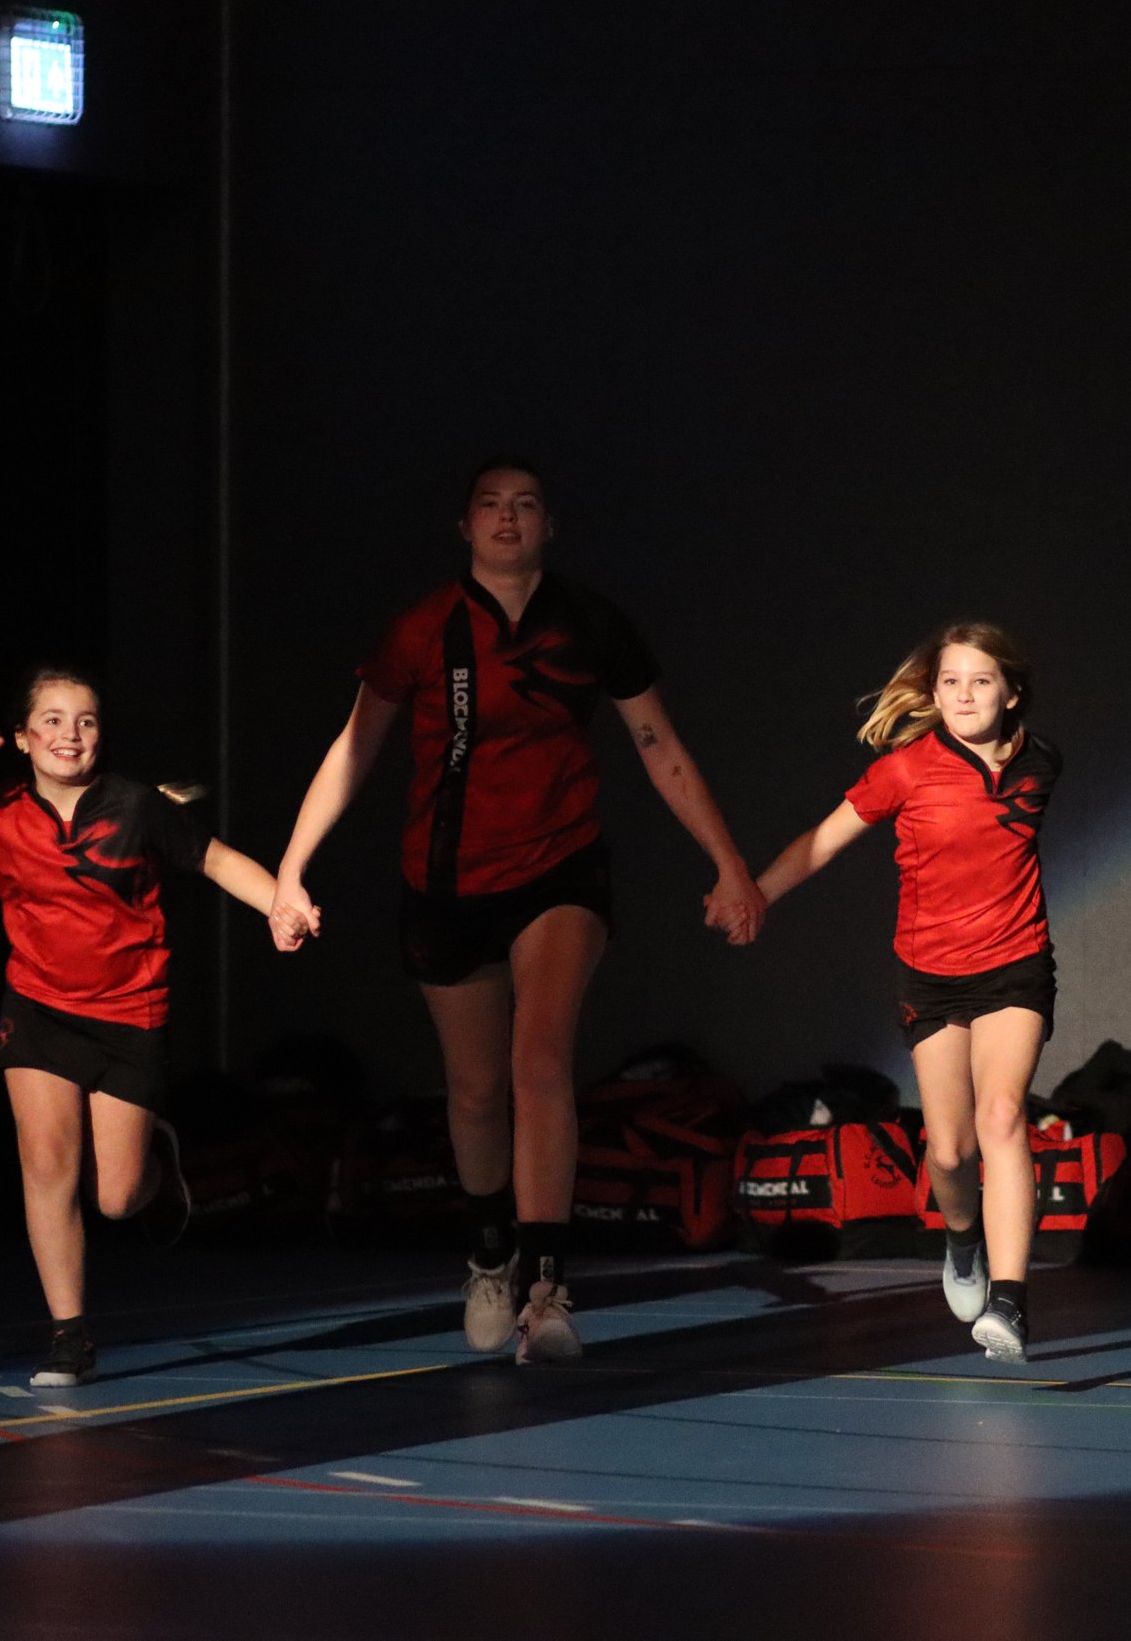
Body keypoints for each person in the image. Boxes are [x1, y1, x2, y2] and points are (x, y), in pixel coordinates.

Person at [270, 461, 764, 1365]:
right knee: (475, 1089)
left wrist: (729, 865)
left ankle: (546, 1289)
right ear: (464, 525)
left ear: (550, 525)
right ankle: (490, 1252)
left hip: (560, 870)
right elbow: (354, 748)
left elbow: (658, 744)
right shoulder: (422, 628)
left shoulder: (590, 621)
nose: (508, 518)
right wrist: (291, 872)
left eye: (526, 504)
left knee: (539, 1059)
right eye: (491, 505)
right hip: (446, 883)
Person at [0, 668, 291, 1387]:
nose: (71, 734)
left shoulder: (137, 805)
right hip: (38, 1009)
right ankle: (69, 1336)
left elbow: (216, 860)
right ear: (24, 738)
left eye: (86, 721)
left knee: (117, 1199)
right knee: (46, 1167)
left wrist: (282, 903)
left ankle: (156, 1161)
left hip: (129, 1013)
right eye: (54, 720)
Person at [754, 622, 1058, 1362]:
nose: (964, 695)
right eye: (951, 682)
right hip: (931, 976)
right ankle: (962, 1240)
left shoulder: (1043, 761)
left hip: (1016, 964)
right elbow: (822, 842)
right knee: (950, 1152)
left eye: (981, 681)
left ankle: (1010, 1303)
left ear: (1011, 692)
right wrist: (754, 896)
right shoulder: (905, 770)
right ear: (934, 692)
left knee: (1003, 1114)